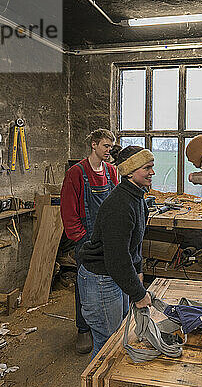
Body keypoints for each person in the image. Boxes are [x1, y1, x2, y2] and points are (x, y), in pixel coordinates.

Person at [78, 145, 154, 358]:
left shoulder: (138, 198)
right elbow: (117, 258)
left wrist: (137, 271)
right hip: (100, 278)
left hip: (113, 275)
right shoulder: (119, 205)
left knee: (118, 335)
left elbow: (134, 242)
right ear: (130, 171)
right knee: (107, 343)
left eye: (152, 167)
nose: (152, 172)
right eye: (147, 168)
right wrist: (139, 294)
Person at [60, 129, 119, 354]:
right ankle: (83, 328)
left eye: (111, 147)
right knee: (85, 284)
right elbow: (68, 209)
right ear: (93, 145)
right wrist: (80, 237)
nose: (108, 151)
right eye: (105, 146)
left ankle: (106, 325)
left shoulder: (111, 171)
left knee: (108, 280)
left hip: (107, 236)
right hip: (86, 238)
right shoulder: (76, 173)